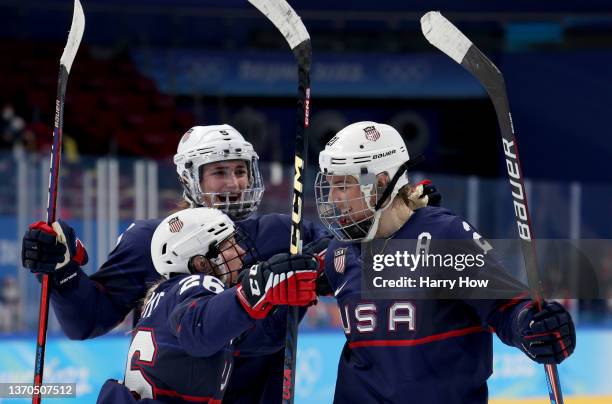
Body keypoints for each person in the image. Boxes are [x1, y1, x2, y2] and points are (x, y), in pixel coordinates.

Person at [21, 124, 440, 402]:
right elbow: (85, 322)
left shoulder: (281, 230)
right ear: (190, 178)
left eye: (240, 170)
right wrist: (62, 272)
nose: (235, 182)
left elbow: (352, 257)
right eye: (219, 172)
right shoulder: (151, 240)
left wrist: (395, 214)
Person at [314, 121, 576, 403]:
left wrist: (532, 325)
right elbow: (295, 274)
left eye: (343, 185)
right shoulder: (337, 253)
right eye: (330, 186)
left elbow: (505, 308)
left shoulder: (444, 238)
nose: (333, 198)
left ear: (379, 182)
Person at [96, 207, 318, 403]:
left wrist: (285, 298)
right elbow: (198, 330)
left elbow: (255, 338)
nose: (241, 251)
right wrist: (254, 290)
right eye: (229, 245)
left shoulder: (166, 295)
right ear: (201, 263)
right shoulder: (199, 283)